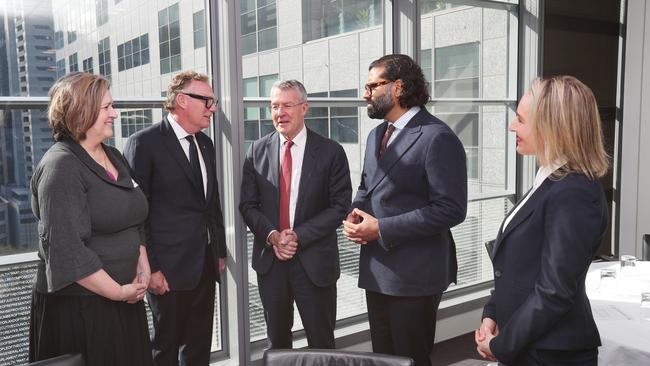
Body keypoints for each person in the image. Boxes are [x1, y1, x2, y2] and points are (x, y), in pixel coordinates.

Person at [474, 75, 609, 365]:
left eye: (521, 120)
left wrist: (501, 346)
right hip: (532, 345)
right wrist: (492, 314)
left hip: (551, 355)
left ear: (552, 127)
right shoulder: (550, 180)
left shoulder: (574, 191)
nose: (512, 126)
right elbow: (520, 270)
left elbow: (554, 291)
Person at [342, 54, 467, 366]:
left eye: (373, 86)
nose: (365, 94)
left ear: (397, 87)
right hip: (377, 270)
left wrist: (381, 229)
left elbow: (451, 209)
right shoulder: (375, 136)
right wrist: (355, 215)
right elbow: (366, 187)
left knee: (410, 359)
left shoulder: (437, 137)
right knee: (383, 359)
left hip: (416, 275)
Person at [29, 72, 152, 365]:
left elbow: (135, 218)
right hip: (83, 311)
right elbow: (68, 250)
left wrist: (142, 270)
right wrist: (120, 292)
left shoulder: (113, 155)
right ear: (81, 111)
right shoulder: (61, 168)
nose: (115, 114)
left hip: (124, 301)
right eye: (107, 107)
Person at [124, 71, 227, 366]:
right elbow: (136, 214)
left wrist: (217, 250)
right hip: (166, 272)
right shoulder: (144, 144)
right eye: (207, 100)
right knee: (165, 350)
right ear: (182, 100)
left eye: (213, 100)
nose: (213, 107)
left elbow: (211, 203)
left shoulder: (205, 144)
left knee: (198, 349)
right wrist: (150, 268)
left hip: (205, 266)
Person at [240, 79, 352, 349]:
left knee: (321, 341)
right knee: (277, 342)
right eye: (274, 106)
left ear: (305, 107)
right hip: (271, 262)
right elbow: (247, 205)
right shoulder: (257, 150)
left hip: (315, 264)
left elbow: (339, 206)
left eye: (288, 105)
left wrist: (296, 237)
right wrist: (273, 236)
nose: (280, 113)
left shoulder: (331, 152)